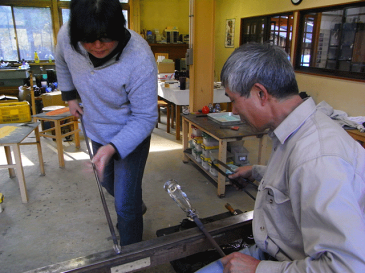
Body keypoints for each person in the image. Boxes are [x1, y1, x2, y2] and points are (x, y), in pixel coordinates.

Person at [197, 43, 365, 272]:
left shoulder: (318, 158)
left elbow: (346, 267)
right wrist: (257, 172)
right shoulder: (298, 130)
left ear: (260, 94)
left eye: (234, 100)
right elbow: (297, 180)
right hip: (276, 251)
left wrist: (257, 269)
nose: (234, 111)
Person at [55, 0, 158, 247]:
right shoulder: (67, 37)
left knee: (124, 205)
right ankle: (134, 202)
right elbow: (61, 61)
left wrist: (112, 147)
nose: (98, 46)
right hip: (95, 129)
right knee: (107, 182)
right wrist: (69, 97)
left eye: (106, 38)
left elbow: (145, 117)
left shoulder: (140, 58)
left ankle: (131, 257)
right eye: (89, 40)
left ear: (120, 29)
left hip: (131, 135)